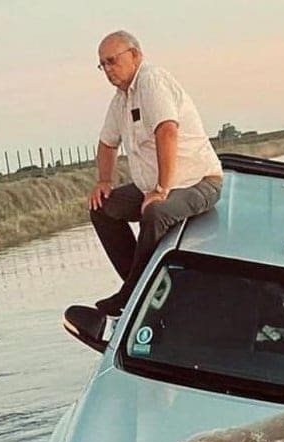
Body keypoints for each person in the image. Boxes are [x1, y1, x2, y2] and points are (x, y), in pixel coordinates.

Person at [87, 31, 223, 316]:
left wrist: (162, 189)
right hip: (151, 186)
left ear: (135, 55)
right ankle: (138, 287)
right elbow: (106, 142)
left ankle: (132, 294)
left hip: (197, 183)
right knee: (102, 208)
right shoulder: (121, 99)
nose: (108, 70)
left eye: (112, 61)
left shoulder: (151, 81)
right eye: (103, 65)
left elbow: (167, 131)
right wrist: (104, 180)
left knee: (156, 213)